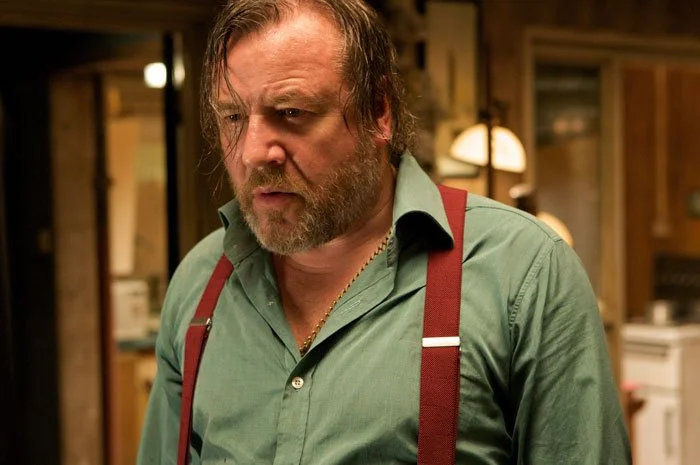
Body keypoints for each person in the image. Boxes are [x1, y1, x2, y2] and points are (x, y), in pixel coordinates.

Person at [137, 1, 631, 463]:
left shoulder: (523, 273)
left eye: (292, 113)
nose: (252, 153)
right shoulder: (201, 284)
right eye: (233, 117)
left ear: (379, 111)